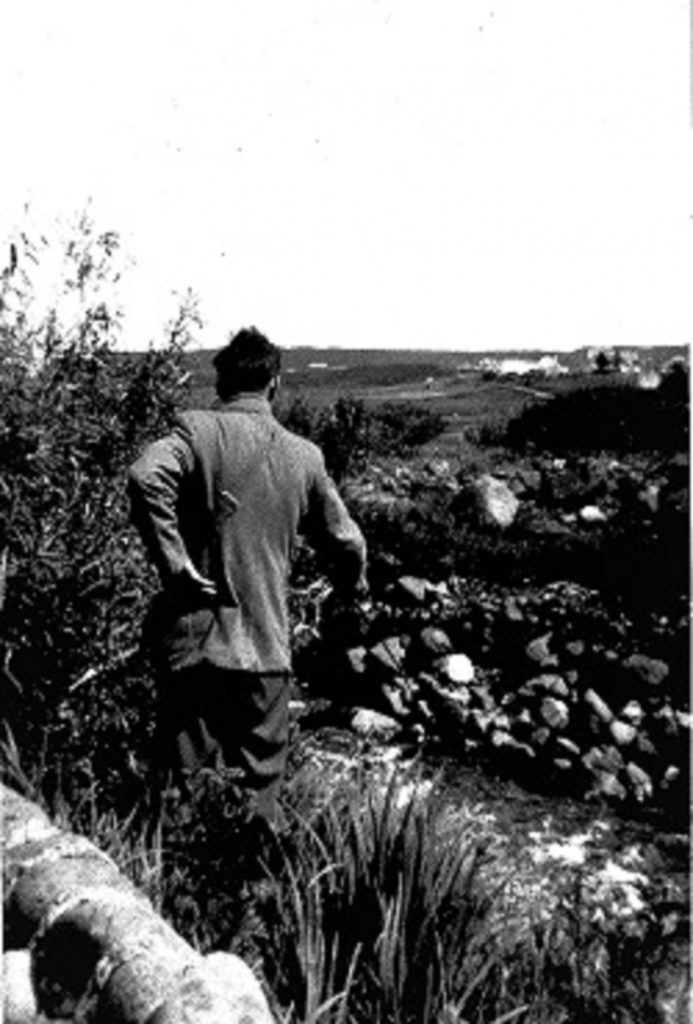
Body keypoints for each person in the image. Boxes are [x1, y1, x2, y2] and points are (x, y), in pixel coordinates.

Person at [128, 327, 367, 825]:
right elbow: (348, 543)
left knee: (178, 791)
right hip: (264, 650)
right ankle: (248, 890)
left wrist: (176, 565)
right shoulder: (305, 457)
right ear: (274, 384)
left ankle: (167, 891)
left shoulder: (196, 431)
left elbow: (145, 476)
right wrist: (350, 589)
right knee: (259, 795)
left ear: (221, 383)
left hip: (195, 648)